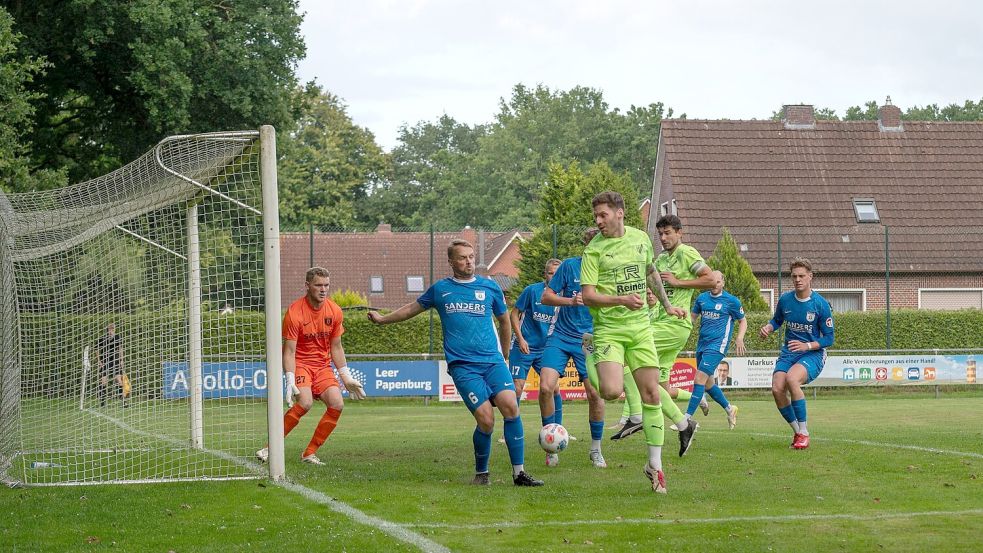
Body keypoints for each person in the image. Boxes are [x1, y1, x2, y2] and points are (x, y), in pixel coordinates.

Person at [368, 240, 543, 487]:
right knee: (486, 419)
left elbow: (505, 322)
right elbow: (411, 308)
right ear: (451, 262)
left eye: (471, 257)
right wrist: (383, 319)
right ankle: (482, 474)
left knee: (510, 406)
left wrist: (503, 356)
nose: (469, 261)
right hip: (463, 365)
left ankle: (519, 473)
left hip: (493, 362)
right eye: (462, 257)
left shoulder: (489, 287)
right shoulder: (441, 289)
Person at [580, 191, 691, 493]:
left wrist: (667, 307)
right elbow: (588, 295)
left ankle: (655, 467)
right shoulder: (594, 251)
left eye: (603, 215)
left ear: (619, 213)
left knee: (652, 394)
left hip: (640, 328)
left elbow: (651, 272)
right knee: (612, 391)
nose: (598, 221)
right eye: (596, 216)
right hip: (609, 330)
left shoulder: (641, 239)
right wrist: (619, 299)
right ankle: (589, 352)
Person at [256, 267, 366, 466]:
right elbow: (288, 351)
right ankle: (269, 448)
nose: (323, 290)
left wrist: (346, 376)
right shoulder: (294, 313)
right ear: (307, 286)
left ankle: (309, 453)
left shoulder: (335, 311)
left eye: (326, 285)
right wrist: (289, 378)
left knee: (337, 404)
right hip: (301, 365)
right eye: (318, 285)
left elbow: (336, 346)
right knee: (305, 403)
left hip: (322, 367)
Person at [645, 214, 716, 447]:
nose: (663, 238)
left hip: (675, 325)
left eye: (668, 233)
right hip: (660, 321)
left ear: (679, 232)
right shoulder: (661, 258)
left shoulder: (687, 253)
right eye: (660, 234)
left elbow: (711, 280)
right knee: (660, 386)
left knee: (633, 357)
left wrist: (678, 282)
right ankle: (686, 426)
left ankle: (634, 416)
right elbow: (655, 284)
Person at [540, 229, 607, 469]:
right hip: (560, 335)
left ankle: (596, 449)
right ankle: (551, 444)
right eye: (591, 243)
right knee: (546, 387)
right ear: (586, 246)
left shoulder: (609, 270)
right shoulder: (569, 267)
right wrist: (571, 300)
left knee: (595, 393)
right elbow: (546, 297)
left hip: (589, 338)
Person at [759, 258, 834, 450]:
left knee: (792, 379)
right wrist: (768, 327)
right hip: (789, 353)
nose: (798, 280)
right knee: (777, 389)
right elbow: (777, 320)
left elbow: (829, 338)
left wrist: (806, 346)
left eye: (802, 276)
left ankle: (804, 432)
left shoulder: (820, 304)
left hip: (812, 353)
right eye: (794, 276)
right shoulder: (785, 299)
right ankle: (798, 432)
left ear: (810, 277)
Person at [688, 271, 745, 429]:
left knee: (699, 379)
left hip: (718, 346)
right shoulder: (702, 298)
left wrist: (739, 338)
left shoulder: (731, 301)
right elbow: (692, 318)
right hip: (702, 345)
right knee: (708, 384)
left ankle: (686, 419)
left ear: (723, 283)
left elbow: (743, 320)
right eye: (712, 281)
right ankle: (730, 409)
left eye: (718, 281)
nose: (715, 284)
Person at [508, 258, 562, 402]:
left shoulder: (565, 297)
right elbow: (514, 314)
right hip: (523, 346)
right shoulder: (532, 290)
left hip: (546, 349)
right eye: (550, 273)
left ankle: (555, 425)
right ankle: (512, 424)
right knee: (517, 388)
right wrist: (520, 339)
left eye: (557, 274)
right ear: (545, 274)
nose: (553, 277)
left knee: (553, 388)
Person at [96, 322, 128, 407]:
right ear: (108, 330)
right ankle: (102, 403)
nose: (111, 330)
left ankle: (124, 402)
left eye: (113, 329)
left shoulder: (117, 337)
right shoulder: (102, 338)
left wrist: (121, 360)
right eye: (110, 329)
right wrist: (99, 361)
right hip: (105, 361)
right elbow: (97, 350)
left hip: (115, 361)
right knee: (103, 381)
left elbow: (120, 349)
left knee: (119, 380)